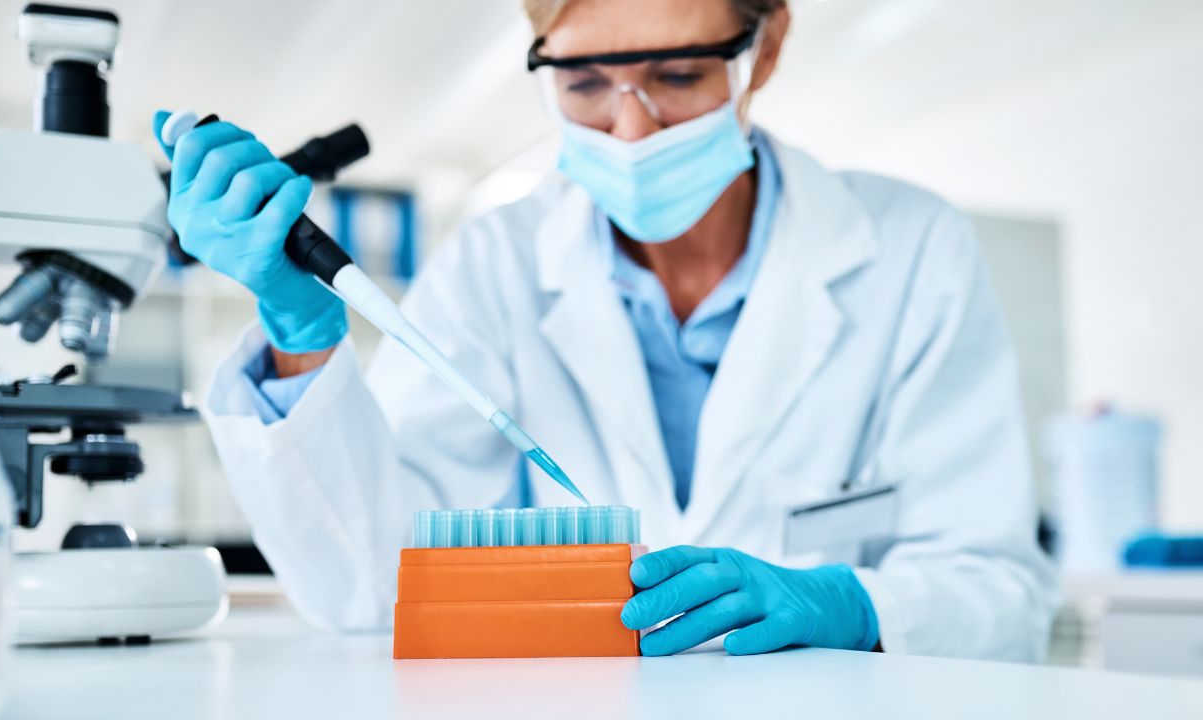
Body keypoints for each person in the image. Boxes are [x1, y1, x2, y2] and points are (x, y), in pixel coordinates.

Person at [154, 0, 1057, 659]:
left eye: (676, 76)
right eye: (584, 83)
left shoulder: (909, 247)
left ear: (765, 47)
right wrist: (297, 324)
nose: (630, 127)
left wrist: (849, 604)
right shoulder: (493, 265)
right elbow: (369, 586)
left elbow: (1000, 593)